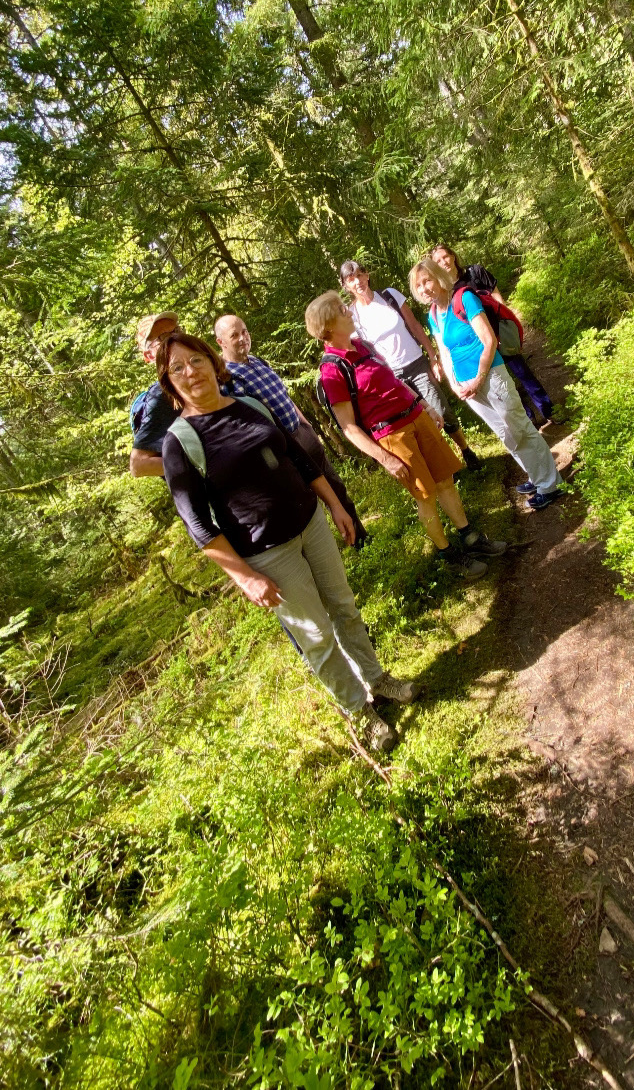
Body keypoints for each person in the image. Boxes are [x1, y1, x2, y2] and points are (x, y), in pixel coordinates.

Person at [156, 332, 417, 752]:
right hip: (268, 555)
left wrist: (334, 505)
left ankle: (377, 679)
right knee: (315, 634)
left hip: (311, 523)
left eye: (196, 360)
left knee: (344, 607)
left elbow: (298, 458)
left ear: (211, 360)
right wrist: (245, 579)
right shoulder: (180, 444)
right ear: (169, 384)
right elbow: (199, 527)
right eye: (177, 369)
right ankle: (360, 712)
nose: (191, 372)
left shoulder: (250, 407)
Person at [305, 292, 508, 579]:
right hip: (392, 436)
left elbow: (394, 380)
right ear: (328, 325)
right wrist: (385, 459)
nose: (349, 312)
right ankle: (448, 555)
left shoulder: (363, 345)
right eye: (342, 310)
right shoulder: (332, 370)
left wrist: (424, 405)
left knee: (446, 482)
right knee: (425, 497)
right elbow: (348, 427)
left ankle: (471, 539)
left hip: (417, 417)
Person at [409, 259, 560, 511]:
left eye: (427, 281)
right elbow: (444, 352)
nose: (424, 288)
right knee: (505, 433)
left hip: (491, 374)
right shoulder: (434, 315)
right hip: (467, 385)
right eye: (418, 285)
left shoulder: (464, 298)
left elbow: (488, 340)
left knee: (519, 427)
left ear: (438, 278)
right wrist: (455, 384)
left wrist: (479, 378)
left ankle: (550, 484)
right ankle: (536, 476)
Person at [214, 313, 368, 549]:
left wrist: (307, 426)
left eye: (244, 331)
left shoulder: (258, 362)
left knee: (335, 486)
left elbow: (285, 398)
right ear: (221, 342)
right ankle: (327, 548)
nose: (243, 338)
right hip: (283, 451)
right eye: (234, 335)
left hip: (302, 434)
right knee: (309, 501)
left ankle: (360, 538)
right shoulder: (227, 380)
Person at [339, 260, 482, 471]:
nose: (358, 281)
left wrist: (433, 356)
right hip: (391, 378)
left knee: (441, 410)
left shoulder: (389, 296)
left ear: (367, 275)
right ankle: (446, 465)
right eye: (351, 279)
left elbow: (414, 325)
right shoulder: (354, 318)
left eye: (360, 275)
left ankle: (466, 450)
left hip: (416, 364)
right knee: (418, 422)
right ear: (345, 285)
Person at [430, 244, 554, 426]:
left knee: (522, 371)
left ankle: (548, 410)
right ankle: (529, 419)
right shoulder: (445, 291)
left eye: (445, 257)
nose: (444, 262)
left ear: (453, 256)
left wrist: (504, 320)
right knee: (504, 380)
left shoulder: (474, 273)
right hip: (479, 345)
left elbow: (495, 293)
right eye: (438, 261)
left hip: (497, 332)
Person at [129, 311, 182, 478]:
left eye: (177, 331)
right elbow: (139, 465)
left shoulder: (201, 374)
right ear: (148, 356)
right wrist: (202, 463)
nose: (175, 339)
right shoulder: (162, 394)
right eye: (163, 337)